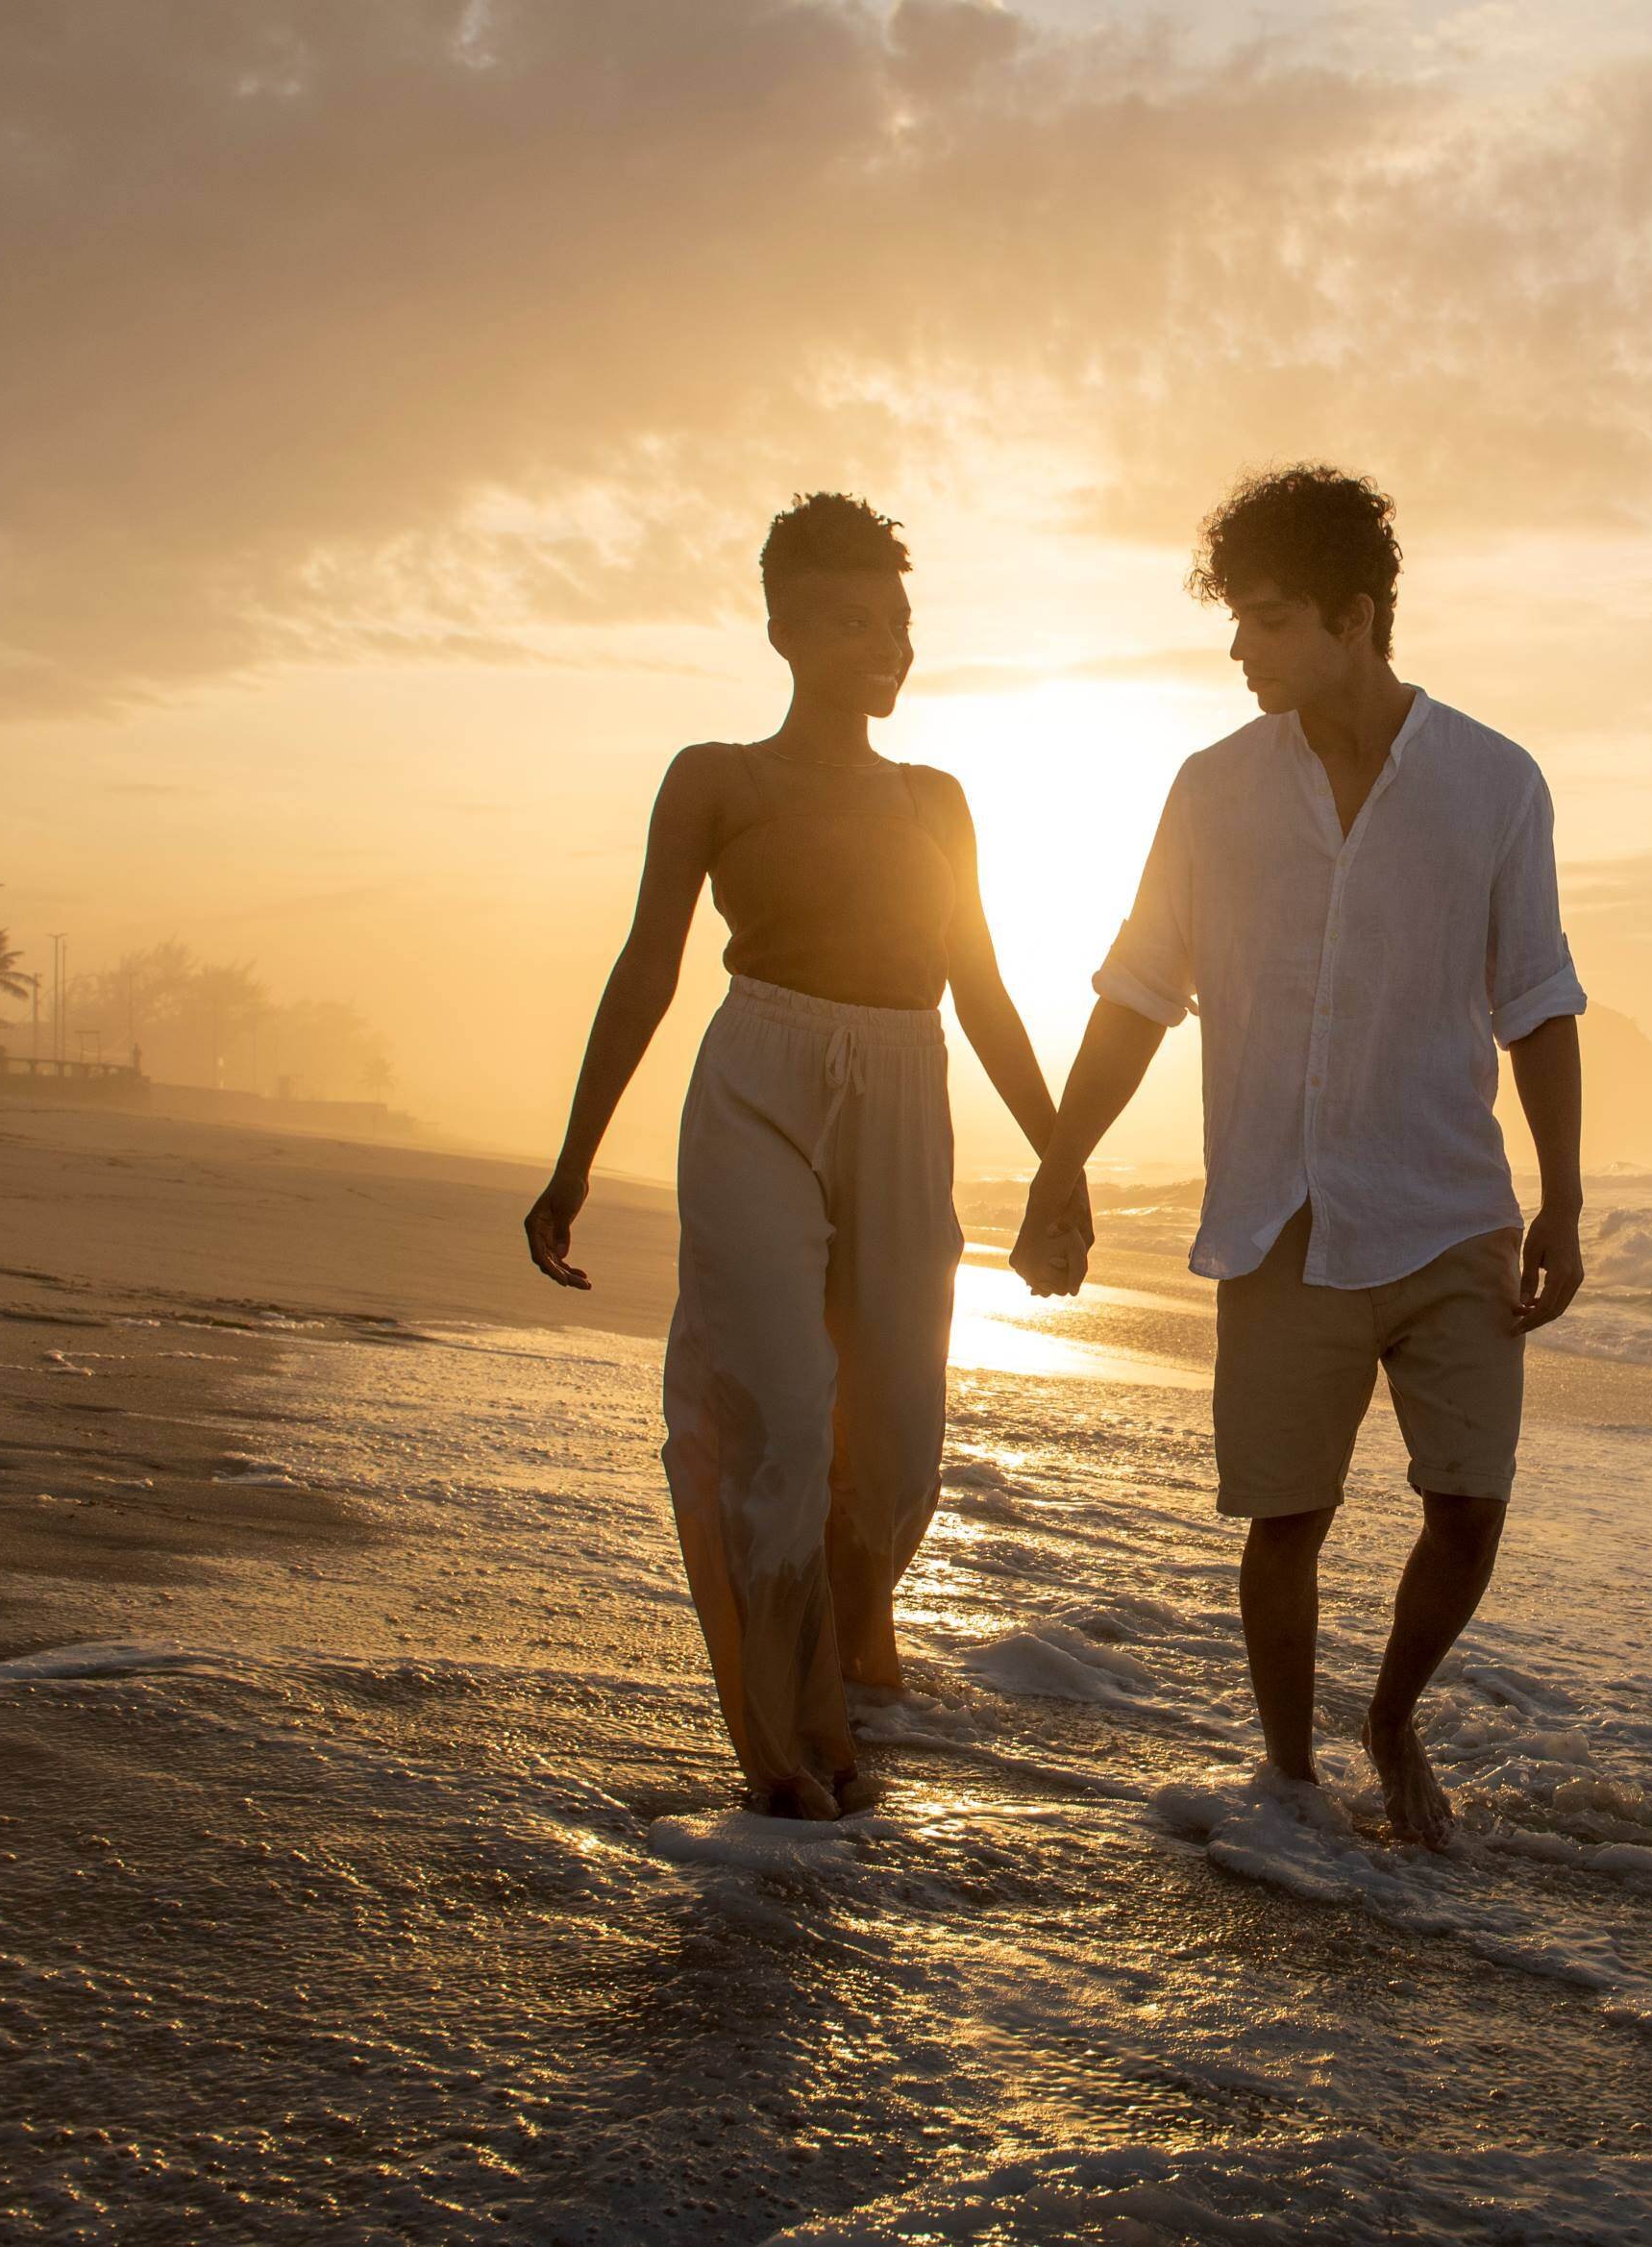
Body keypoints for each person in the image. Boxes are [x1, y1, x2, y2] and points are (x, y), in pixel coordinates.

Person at [1014, 464, 1587, 1849]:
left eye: (1265, 620)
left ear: (1355, 613)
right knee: (1286, 1517)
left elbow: (1538, 998)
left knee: (1467, 1506)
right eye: (1235, 618)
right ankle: (1287, 1778)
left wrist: (1563, 1196)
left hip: (1448, 1204)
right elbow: (1139, 989)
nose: (1237, 648)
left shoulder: (1493, 783)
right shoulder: (1211, 790)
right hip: (1278, 1213)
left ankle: (1389, 1715)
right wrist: (1058, 1160)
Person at [524, 492, 1080, 1820]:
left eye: (896, 622)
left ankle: (841, 1653)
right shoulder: (717, 777)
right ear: (781, 628)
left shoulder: (939, 797)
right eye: (848, 621)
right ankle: (790, 1742)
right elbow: (648, 967)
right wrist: (572, 1161)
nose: (882, 646)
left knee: (893, 1440)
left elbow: (986, 990)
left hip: (906, 1084)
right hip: (758, 1078)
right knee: (773, 1406)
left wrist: (1060, 1162)